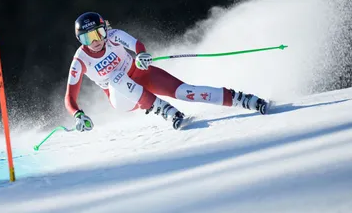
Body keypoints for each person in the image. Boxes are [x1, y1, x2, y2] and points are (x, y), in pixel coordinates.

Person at [65, 12, 268, 131]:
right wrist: (78, 115)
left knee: (187, 91)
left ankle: (242, 99)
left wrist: (141, 55)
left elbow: (136, 44)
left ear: (105, 30)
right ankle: (166, 111)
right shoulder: (80, 60)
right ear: (80, 41)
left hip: (142, 76)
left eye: (99, 33)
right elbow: (70, 98)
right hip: (123, 97)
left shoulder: (113, 36)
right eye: (87, 38)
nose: (96, 41)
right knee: (116, 78)